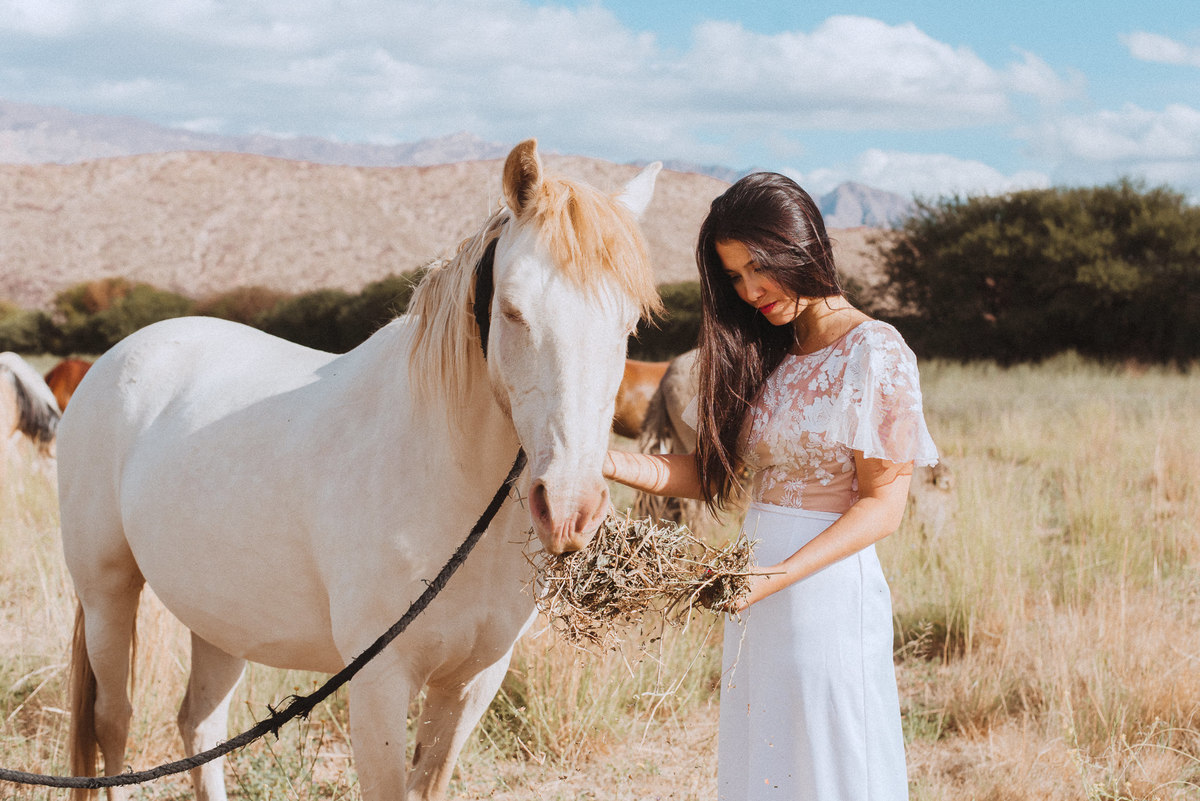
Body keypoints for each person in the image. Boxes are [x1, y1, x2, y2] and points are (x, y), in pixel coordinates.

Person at [603, 172, 938, 800]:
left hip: (824, 595)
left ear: (802, 244)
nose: (750, 289)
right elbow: (712, 476)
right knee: (766, 764)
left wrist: (773, 578)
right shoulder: (769, 354)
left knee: (834, 764)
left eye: (759, 266)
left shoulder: (876, 351)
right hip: (754, 594)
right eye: (733, 276)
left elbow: (882, 507)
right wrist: (600, 462)